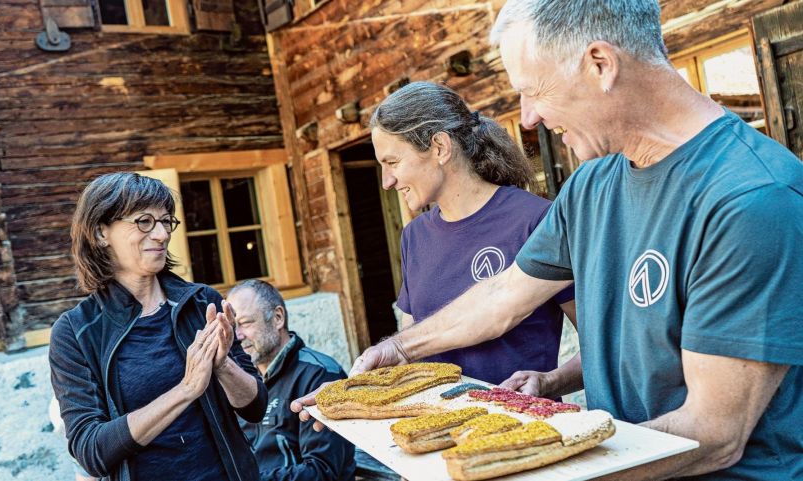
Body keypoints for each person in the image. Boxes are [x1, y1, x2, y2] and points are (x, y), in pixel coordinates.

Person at [294, 1, 803, 479]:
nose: (526, 117)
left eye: (534, 90)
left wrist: (519, 465)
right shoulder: (591, 184)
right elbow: (502, 297)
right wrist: (399, 349)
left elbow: (714, 435)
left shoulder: (751, 199)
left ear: (600, 64)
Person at [49, 172, 268, 481]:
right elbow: (91, 451)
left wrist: (223, 367)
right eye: (144, 222)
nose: (162, 234)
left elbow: (256, 408)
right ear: (101, 233)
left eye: (166, 222)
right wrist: (186, 389)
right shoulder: (76, 332)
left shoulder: (200, 303)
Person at [370, 81, 582, 396]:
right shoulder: (414, 236)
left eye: (392, 162)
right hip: (440, 432)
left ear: (439, 147)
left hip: (523, 431)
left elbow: (603, 343)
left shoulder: (537, 220)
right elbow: (410, 351)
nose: (387, 181)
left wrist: (552, 381)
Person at [229, 279, 355, 481]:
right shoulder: (242, 383)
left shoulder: (320, 375)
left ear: (278, 318)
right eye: (233, 326)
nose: (238, 335)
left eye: (245, 323)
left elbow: (322, 472)